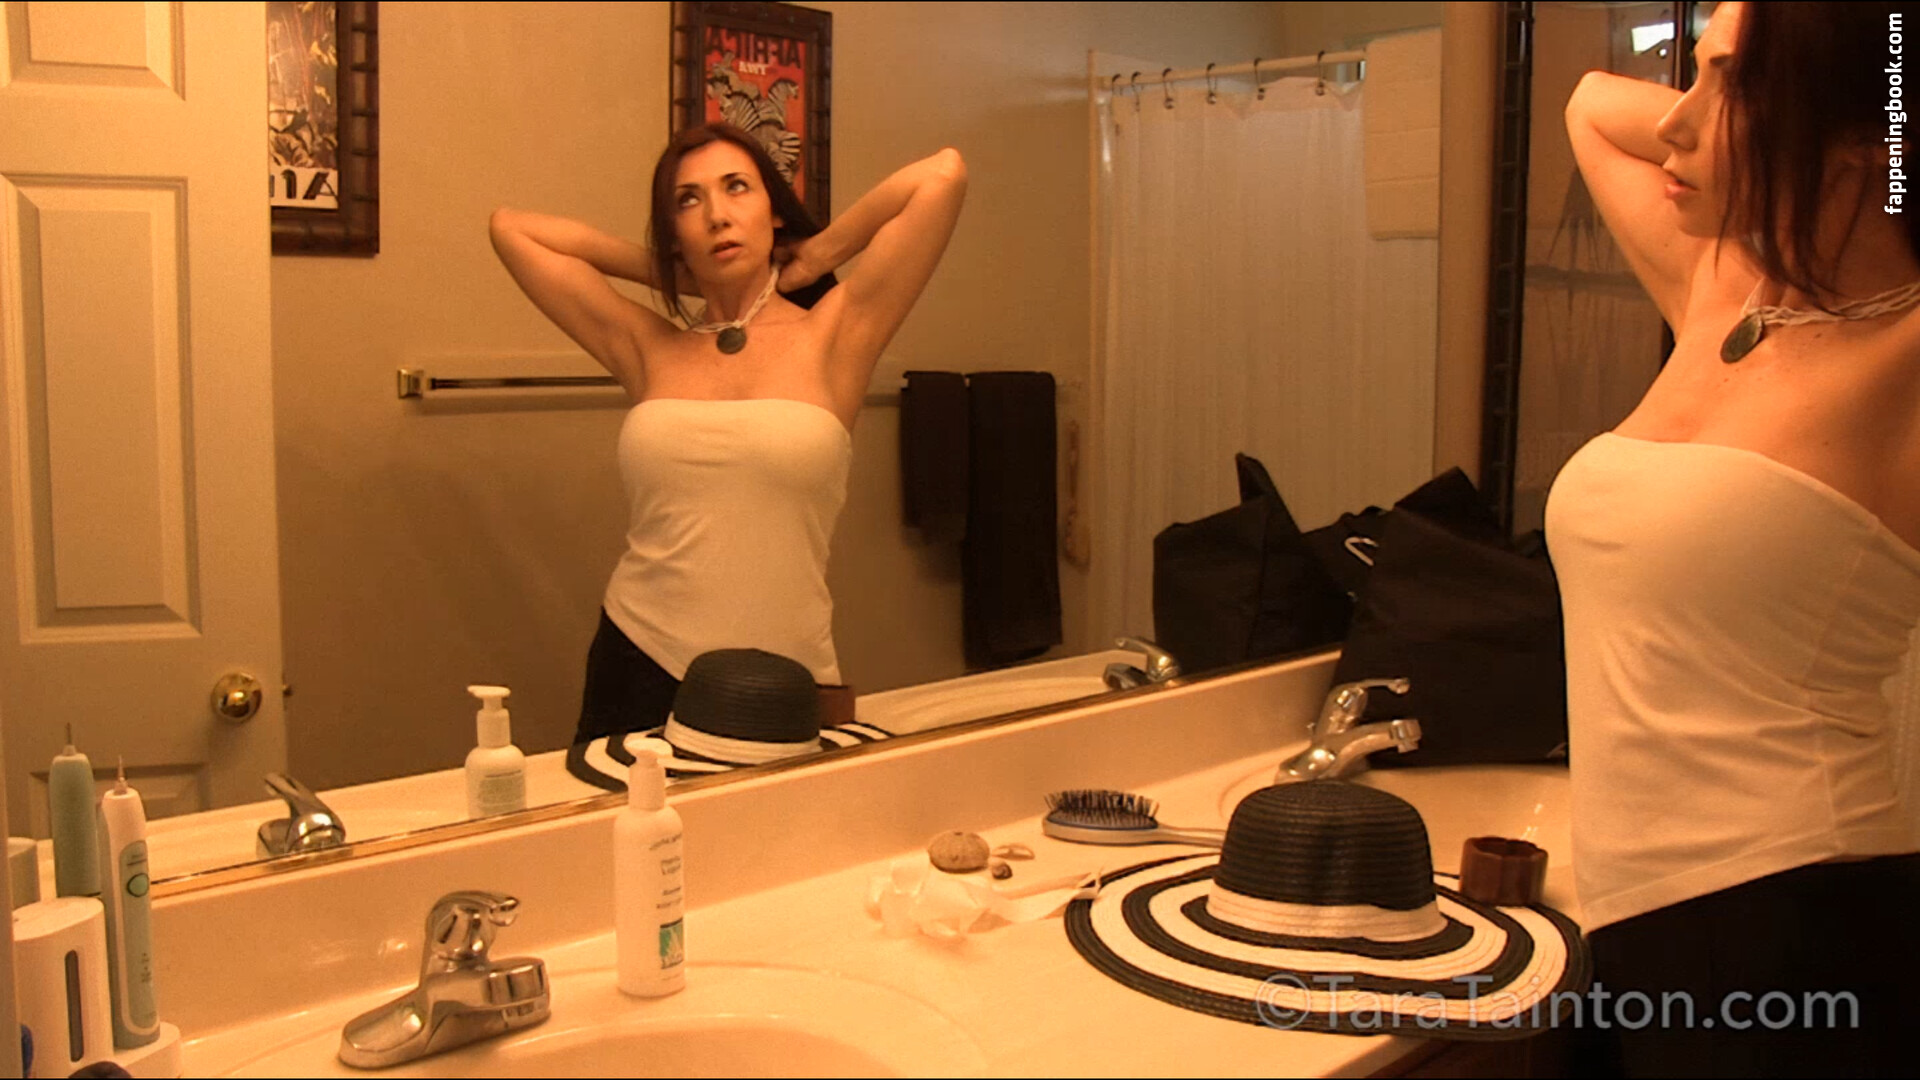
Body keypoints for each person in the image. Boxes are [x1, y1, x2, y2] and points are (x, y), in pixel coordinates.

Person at [1549, 3, 1918, 1075]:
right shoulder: (1721, 286)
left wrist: (1889, 125)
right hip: (1641, 921)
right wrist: (1759, 84)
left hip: (1800, 922)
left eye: (1736, 86)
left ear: (1865, 136)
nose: (1679, 121)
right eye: (1696, 72)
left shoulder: (1908, 350)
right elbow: (1591, 105)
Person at [490, 125, 967, 744]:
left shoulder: (836, 334)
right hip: (636, 659)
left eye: (737, 187)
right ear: (674, 233)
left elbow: (943, 176)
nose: (717, 215)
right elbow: (512, 230)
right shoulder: (649, 348)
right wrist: (669, 272)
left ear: (773, 210)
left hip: (785, 677)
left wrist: (815, 256)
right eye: (688, 200)